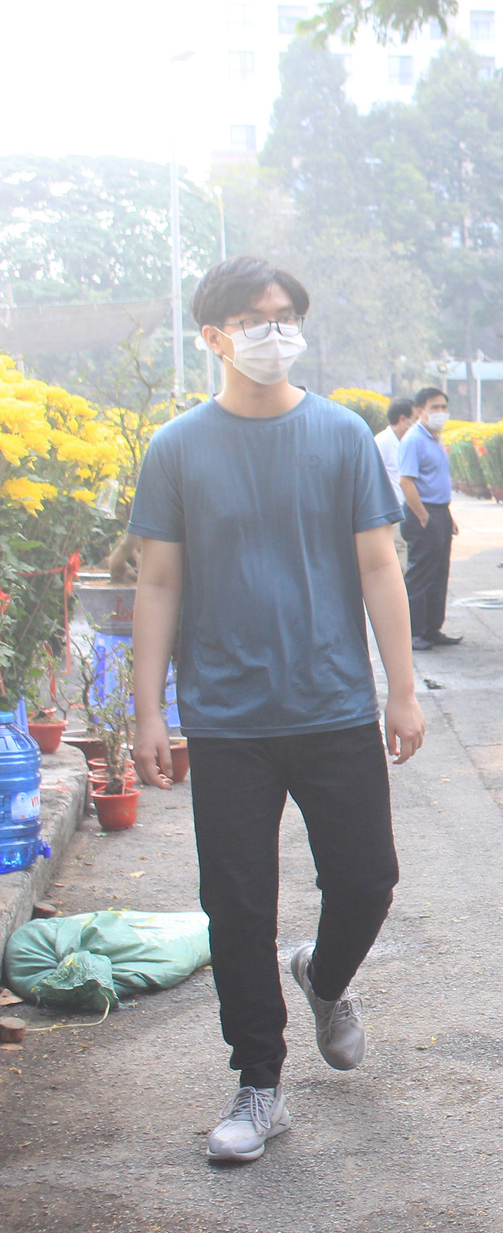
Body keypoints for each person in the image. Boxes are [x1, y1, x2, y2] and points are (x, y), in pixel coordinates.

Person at [127, 256, 424, 1164]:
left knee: (369, 879)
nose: (273, 330)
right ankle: (260, 1083)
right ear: (211, 336)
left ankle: (324, 976)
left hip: (333, 703)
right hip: (227, 717)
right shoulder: (178, 447)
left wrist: (401, 687)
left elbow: (379, 563)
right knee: (239, 904)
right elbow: (159, 580)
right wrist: (150, 711)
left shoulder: (340, 436)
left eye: (285, 314)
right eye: (252, 319)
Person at [398, 386, 460, 651]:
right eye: (435, 408)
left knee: (439, 573)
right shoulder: (414, 439)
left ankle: (433, 628)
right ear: (421, 411)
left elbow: (437, 481)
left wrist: (448, 516)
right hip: (422, 513)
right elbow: (406, 481)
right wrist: (423, 516)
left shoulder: (435, 438)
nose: (441, 412)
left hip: (440, 511)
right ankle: (414, 632)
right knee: (420, 575)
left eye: (444, 407)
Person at [375, 398, 417, 570]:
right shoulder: (382, 442)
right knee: (399, 553)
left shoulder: (406, 442)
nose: (416, 424)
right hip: (393, 510)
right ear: (402, 420)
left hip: (407, 509)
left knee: (405, 553)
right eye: (414, 419)